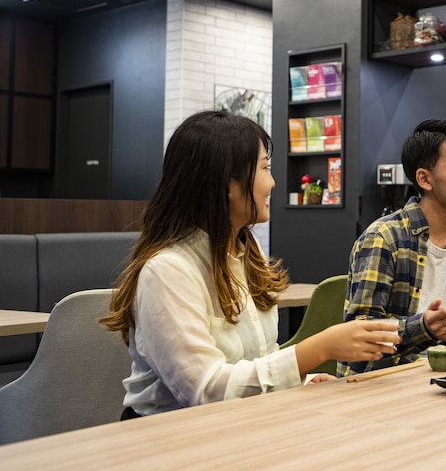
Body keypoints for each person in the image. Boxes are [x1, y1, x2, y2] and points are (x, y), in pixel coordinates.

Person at [101, 110, 400, 417]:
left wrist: (302, 380)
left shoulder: (247, 250)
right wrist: (317, 350)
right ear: (226, 184)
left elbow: (256, 360)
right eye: (264, 168)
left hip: (240, 425)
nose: (272, 183)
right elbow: (204, 390)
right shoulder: (168, 271)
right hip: (165, 439)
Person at [337, 119, 446, 377]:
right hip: (383, 383)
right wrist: (424, 328)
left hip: (445, 379)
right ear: (425, 179)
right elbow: (360, 333)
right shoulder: (384, 237)